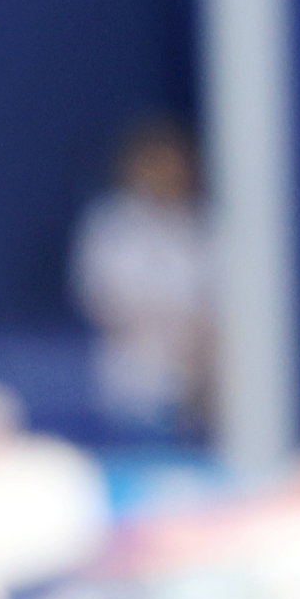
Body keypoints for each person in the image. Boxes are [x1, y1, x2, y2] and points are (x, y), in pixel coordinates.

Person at [72, 112, 214, 439]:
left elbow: (217, 308)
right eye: (154, 162)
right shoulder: (110, 225)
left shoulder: (205, 228)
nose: (164, 172)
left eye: (171, 163)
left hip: (199, 390)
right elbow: (102, 301)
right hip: (131, 386)